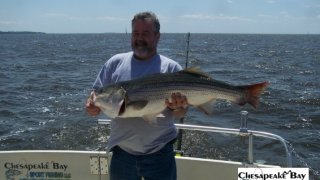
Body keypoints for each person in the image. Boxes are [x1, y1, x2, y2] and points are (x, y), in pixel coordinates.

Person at [86, 11, 188, 180]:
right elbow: (95, 95)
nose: (139, 38)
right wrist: (91, 106)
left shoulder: (171, 69)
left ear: (157, 36)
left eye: (145, 33)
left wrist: (178, 108)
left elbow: (181, 113)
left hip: (160, 154)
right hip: (121, 153)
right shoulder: (114, 63)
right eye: (136, 33)